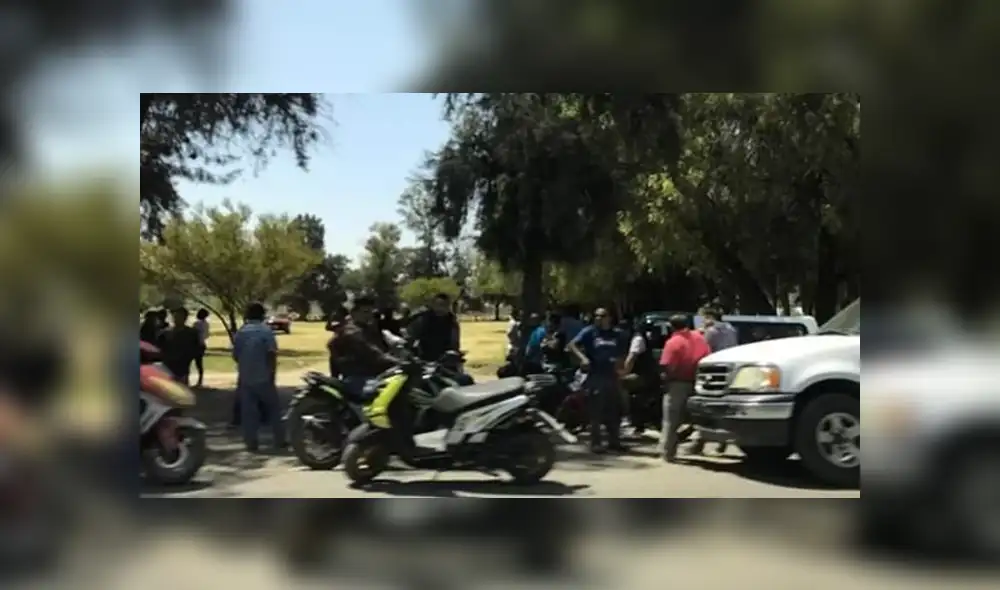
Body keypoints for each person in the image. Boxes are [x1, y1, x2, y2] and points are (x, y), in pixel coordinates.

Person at [568, 307, 627, 454]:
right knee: (596, 410)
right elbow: (572, 345)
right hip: (595, 375)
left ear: (609, 318)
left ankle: (614, 441)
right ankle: (596, 443)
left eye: (602, 316)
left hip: (612, 376)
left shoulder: (616, 334)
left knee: (614, 410)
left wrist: (621, 367)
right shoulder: (590, 332)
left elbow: (621, 353)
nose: (599, 318)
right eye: (597, 316)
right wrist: (583, 358)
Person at [232, 302, 286, 453]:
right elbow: (271, 353)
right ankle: (279, 439)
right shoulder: (266, 331)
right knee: (274, 408)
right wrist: (272, 372)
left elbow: (236, 355)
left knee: (248, 411)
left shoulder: (241, 332)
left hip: (246, 376)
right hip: (264, 375)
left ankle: (251, 442)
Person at [658, 314, 711, 463]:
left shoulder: (673, 342)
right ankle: (697, 445)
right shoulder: (700, 339)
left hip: (677, 384)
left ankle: (668, 452)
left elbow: (667, 365)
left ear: (671, 326)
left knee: (671, 420)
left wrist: (665, 379)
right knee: (697, 419)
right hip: (697, 384)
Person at [328, 295, 401, 398]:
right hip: (359, 378)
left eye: (371, 312)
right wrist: (397, 362)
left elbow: (383, 347)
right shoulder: (351, 332)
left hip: (371, 375)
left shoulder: (366, 328)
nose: (369, 315)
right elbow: (372, 353)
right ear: (354, 313)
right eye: (365, 312)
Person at [621, 319, 661, 435]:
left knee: (621, 386)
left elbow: (631, 357)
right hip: (649, 374)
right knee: (643, 398)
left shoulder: (637, 339)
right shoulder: (644, 338)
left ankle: (629, 418)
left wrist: (625, 372)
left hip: (643, 375)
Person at [408, 293, 461, 362]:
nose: (440, 308)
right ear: (433, 305)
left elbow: (454, 343)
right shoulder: (423, 319)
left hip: (446, 361)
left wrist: (453, 354)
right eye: (438, 305)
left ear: (448, 306)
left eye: (444, 305)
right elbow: (410, 337)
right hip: (424, 360)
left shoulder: (452, 322)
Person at [157, 307, 201, 386]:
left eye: (180, 316)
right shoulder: (165, 333)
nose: (177, 319)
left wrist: (188, 358)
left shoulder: (191, 333)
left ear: (185, 318)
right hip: (167, 366)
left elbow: (195, 349)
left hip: (182, 367)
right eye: (175, 316)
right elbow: (159, 348)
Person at [192, 308, 210, 387]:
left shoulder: (197, 324)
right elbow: (206, 335)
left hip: (196, 344)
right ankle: (200, 380)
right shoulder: (206, 324)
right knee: (199, 363)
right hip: (202, 344)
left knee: (194, 362)